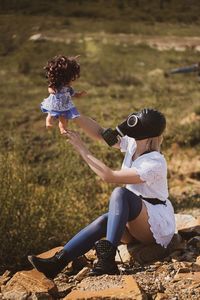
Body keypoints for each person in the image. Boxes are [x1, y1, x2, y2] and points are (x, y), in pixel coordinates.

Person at [28, 108, 176, 279]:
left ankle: (107, 261)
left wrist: (82, 148)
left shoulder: (155, 162)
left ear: (145, 132)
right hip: (135, 219)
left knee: (120, 193)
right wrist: (72, 113)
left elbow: (109, 176)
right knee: (104, 220)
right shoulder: (133, 144)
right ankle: (57, 263)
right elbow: (100, 133)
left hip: (154, 223)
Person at [41, 55, 87, 134]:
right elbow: (50, 88)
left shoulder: (68, 88)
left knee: (64, 118)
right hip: (54, 102)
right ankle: (48, 123)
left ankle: (63, 129)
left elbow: (73, 94)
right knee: (51, 113)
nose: (72, 81)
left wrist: (79, 94)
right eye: (71, 79)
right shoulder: (56, 85)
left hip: (64, 105)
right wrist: (52, 91)